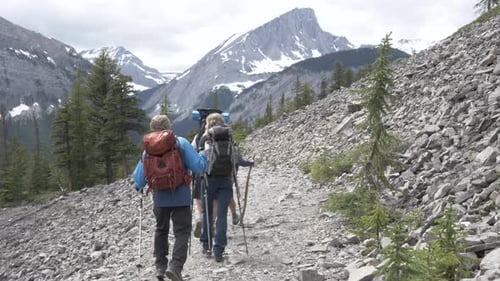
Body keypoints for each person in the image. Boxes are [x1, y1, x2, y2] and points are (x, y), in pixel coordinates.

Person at [133, 115, 207, 281]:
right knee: (182, 232)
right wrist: (203, 155)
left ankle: (160, 267)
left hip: (159, 197)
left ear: (153, 128)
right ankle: (175, 267)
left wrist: (139, 185)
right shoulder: (180, 143)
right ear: (168, 126)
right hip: (180, 194)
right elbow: (198, 166)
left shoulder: (148, 150)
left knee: (161, 230)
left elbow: (138, 179)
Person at [199, 112, 253, 262]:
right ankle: (219, 250)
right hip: (226, 181)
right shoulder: (229, 138)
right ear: (222, 122)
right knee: (222, 215)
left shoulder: (205, 138)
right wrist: (249, 163)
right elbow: (238, 159)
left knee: (207, 213)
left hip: (208, 180)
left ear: (208, 124)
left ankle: (206, 245)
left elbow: (200, 160)